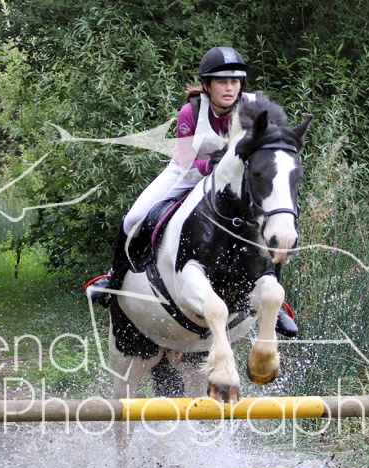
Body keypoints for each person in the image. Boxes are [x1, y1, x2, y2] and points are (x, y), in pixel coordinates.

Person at [86, 46, 297, 337]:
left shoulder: (255, 106)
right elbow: (186, 161)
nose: (229, 88)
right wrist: (212, 165)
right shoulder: (192, 111)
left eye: (234, 81)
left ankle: (275, 303)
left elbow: (270, 149)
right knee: (134, 217)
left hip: (235, 183)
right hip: (189, 173)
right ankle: (114, 278)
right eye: (222, 82)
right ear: (207, 85)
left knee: (272, 224)